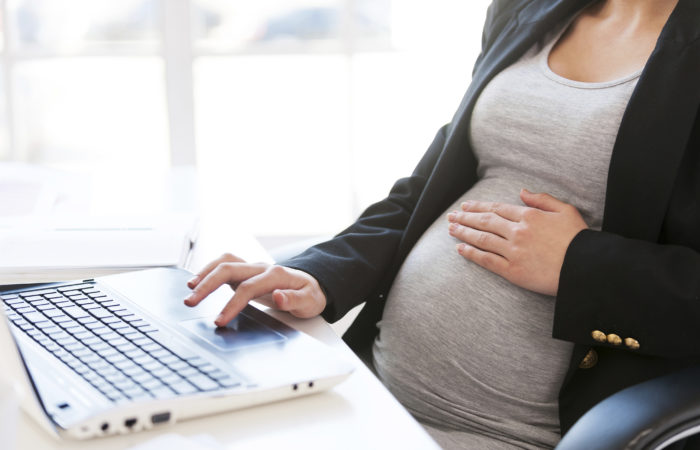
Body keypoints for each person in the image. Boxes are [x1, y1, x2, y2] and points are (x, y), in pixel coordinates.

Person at [183, 0, 700, 448]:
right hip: (367, 394)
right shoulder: (531, 9)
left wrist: (579, 267)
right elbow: (431, 190)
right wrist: (319, 273)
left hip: (504, 435)